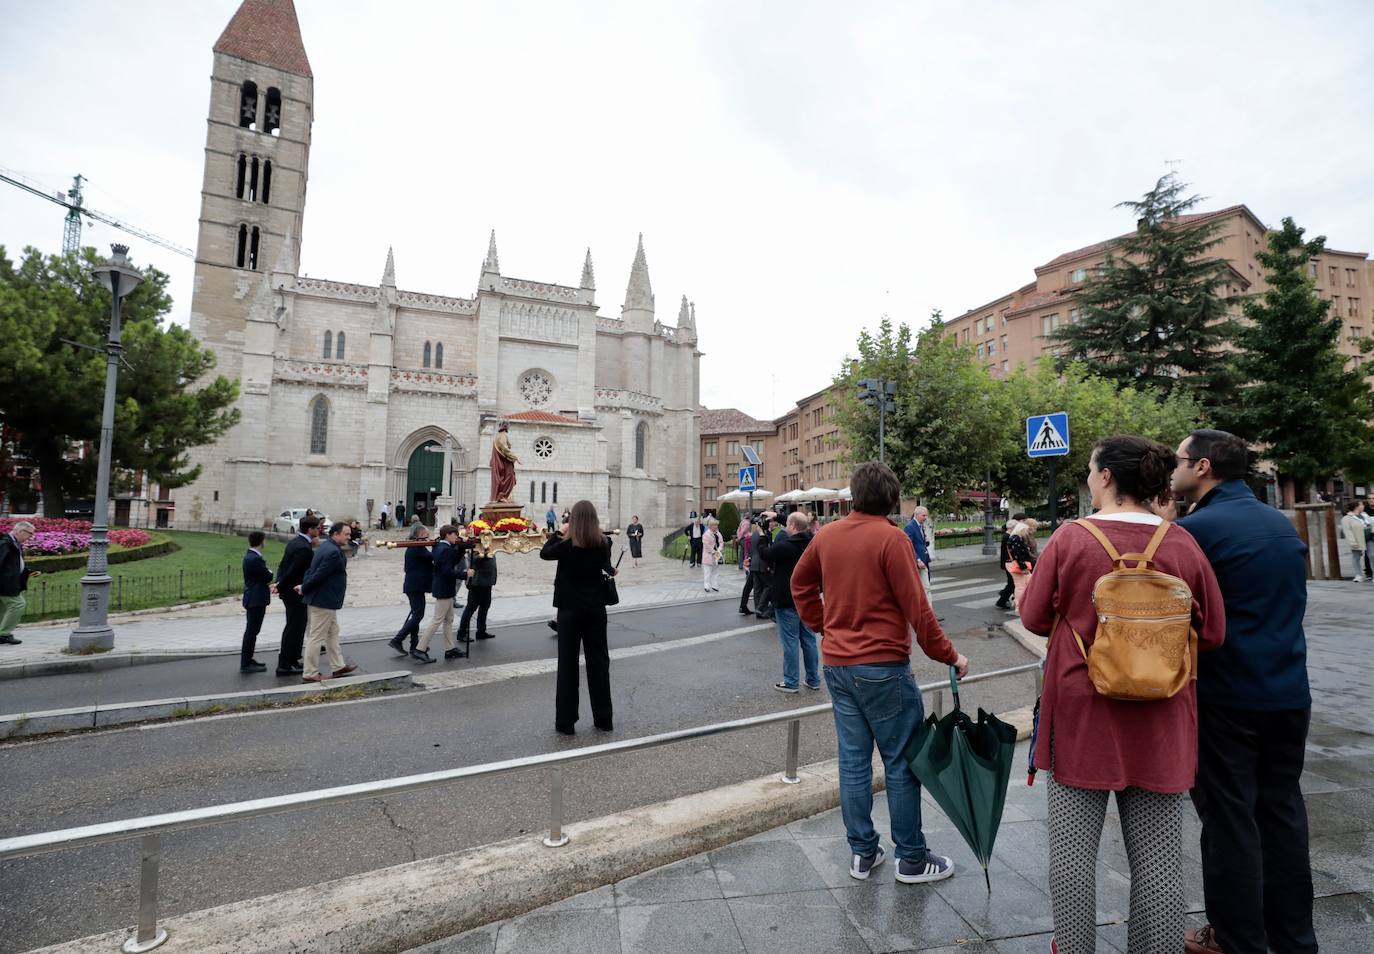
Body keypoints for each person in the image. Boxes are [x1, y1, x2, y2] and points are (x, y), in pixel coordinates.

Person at [1019, 435, 1225, 954]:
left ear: (1107, 476)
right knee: (1158, 861)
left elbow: (1034, 617)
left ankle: (1073, 946)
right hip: (1162, 718)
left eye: (1091, 470)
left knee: (1071, 857)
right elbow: (1215, 631)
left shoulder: (1071, 538)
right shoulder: (1180, 543)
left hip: (1082, 717)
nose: (1089, 478)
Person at [1171, 429, 1319, 954]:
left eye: (1180, 460)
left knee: (1231, 821)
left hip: (1228, 695)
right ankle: (1296, 940)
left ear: (1204, 467)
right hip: (1288, 692)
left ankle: (1236, 940)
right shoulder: (1276, 524)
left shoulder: (1197, 531)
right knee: (1282, 816)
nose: (1173, 470)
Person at [792, 461, 971, 886]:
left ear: (854, 495)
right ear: (892, 498)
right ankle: (910, 859)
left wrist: (822, 626)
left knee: (853, 762)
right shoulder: (892, 540)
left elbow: (799, 585)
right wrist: (951, 656)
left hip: (837, 664)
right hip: (884, 668)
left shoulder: (827, 536)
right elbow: (919, 611)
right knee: (901, 762)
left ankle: (862, 852)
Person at [541, 500, 617, 735]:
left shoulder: (567, 544)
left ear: (572, 520)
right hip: (595, 609)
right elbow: (606, 566)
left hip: (569, 610)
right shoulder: (602, 542)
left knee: (568, 665)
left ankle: (566, 722)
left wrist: (558, 531)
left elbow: (545, 553)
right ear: (594, 520)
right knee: (599, 663)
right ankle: (603, 719)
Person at [758, 511, 820, 692]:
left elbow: (764, 552)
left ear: (792, 527)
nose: (785, 527)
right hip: (807, 598)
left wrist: (762, 532)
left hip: (787, 599)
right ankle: (813, 679)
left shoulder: (785, 547)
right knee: (808, 640)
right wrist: (778, 516)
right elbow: (799, 524)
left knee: (790, 641)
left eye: (787, 525)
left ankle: (791, 681)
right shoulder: (810, 541)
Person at [298, 521, 358, 683]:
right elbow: (319, 575)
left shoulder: (325, 547)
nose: (349, 536)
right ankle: (310, 672)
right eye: (346, 534)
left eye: (349, 534)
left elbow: (311, 570)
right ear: (335, 534)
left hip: (325, 600)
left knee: (332, 632)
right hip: (323, 600)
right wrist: (304, 587)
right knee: (316, 637)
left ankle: (338, 666)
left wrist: (304, 585)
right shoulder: (332, 551)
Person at [273, 515, 319, 676]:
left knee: (297, 627)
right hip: (295, 593)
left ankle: (292, 660)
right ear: (310, 529)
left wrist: (279, 582)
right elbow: (293, 571)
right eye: (317, 528)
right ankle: (285, 664)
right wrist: (280, 585)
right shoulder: (303, 548)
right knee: (294, 628)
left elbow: (283, 566)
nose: (319, 530)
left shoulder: (296, 542)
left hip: (291, 591)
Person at [415, 525, 466, 662]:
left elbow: (452, 560)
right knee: (437, 620)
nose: (456, 536)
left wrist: (462, 547)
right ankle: (420, 648)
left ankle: (449, 649)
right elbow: (447, 571)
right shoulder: (444, 549)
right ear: (448, 535)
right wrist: (465, 574)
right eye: (454, 534)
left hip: (445, 588)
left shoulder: (440, 546)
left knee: (449, 619)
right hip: (444, 589)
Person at [388, 524, 433, 656]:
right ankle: (398, 639)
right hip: (415, 586)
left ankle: (415, 644)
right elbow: (432, 557)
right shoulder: (417, 547)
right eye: (426, 536)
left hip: (415, 585)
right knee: (418, 615)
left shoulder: (417, 546)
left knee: (416, 615)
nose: (428, 538)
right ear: (418, 536)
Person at [239, 530, 273, 673]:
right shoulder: (255, 559)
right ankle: (246, 663)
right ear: (261, 541)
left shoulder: (252, 556)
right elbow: (267, 576)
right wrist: (270, 572)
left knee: (253, 631)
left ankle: (248, 659)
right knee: (252, 631)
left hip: (253, 597)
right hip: (256, 599)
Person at [0, 521, 37, 646]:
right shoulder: (6, 543)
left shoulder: (15, 544)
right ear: (21, 531)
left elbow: (14, 564)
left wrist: (27, 571)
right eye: (30, 534)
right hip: (5, 583)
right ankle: (4, 634)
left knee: (3, 608)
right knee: (18, 604)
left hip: (9, 581)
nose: (30, 537)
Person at [458, 534, 497, 642]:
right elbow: (474, 560)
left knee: (485, 606)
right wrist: (484, 553)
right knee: (471, 608)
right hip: (477, 582)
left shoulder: (490, 544)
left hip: (487, 582)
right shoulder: (475, 546)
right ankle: (462, 633)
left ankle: (481, 630)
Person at [994, 513, 1026, 610]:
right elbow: (1009, 551)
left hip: (1008, 562)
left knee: (1012, 582)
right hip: (1010, 562)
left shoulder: (1009, 535)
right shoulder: (1008, 536)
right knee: (1012, 583)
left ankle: (1004, 596)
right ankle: (1003, 599)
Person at [748, 514, 777, 619]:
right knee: (769, 586)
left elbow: (752, 549)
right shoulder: (765, 534)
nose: (772, 523)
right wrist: (769, 564)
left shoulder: (754, 533)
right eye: (770, 522)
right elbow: (766, 550)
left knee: (757, 588)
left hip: (754, 563)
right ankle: (761, 608)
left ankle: (758, 609)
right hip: (762, 563)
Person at [1007, 520, 1037, 609]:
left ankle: (1022, 603)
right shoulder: (1017, 538)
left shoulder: (1013, 537)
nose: (1026, 532)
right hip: (1019, 565)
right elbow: (1018, 554)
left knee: (1030, 582)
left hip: (1016, 564)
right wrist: (1023, 567)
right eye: (1025, 530)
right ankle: (1019, 606)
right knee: (1020, 586)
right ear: (1021, 529)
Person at [490, 422, 519, 502]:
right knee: (509, 477)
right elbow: (504, 448)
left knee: (507, 477)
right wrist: (515, 457)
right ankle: (502, 496)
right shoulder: (503, 435)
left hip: (503, 461)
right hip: (504, 461)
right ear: (506, 427)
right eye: (508, 426)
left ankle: (505, 496)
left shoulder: (498, 436)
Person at [1340, 500, 1368, 582]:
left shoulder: (1364, 515)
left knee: (1372, 555)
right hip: (1357, 541)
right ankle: (1358, 575)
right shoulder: (1346, 518)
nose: (1363, 506)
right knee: (1356, 557)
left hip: (1369, 539)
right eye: (1362, 505)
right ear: (1357, 507)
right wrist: (1353, 543)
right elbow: (1347, 531)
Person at [701, 517, 725, 592]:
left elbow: (721, 542)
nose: (716, 526)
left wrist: (719, 550)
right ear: (710, 526)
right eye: (715, 525)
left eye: (717, 525)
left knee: (716, 571)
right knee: (707, 572)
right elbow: (707, 545)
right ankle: (707, 586)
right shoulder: (706, 535)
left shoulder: (718, 533)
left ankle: (715, 585)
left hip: (717, 555)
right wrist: (714, 551)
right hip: (708, 556)